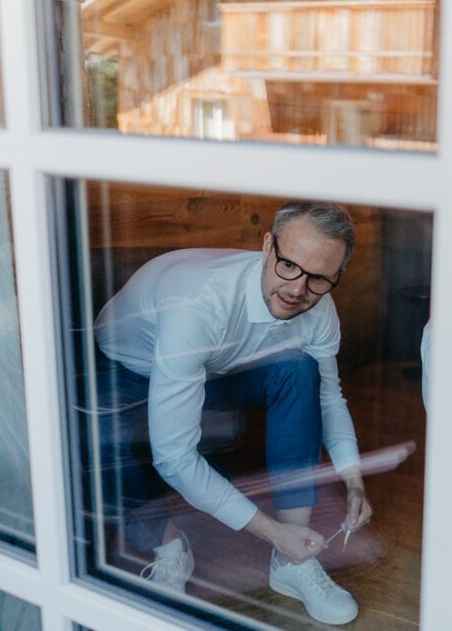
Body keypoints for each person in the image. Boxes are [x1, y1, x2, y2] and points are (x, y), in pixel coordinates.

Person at [93, 201, 372, 626]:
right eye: (289, 266)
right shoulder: (198, 305)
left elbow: (330, 399)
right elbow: (175, 456)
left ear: (337, 277)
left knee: (301, 371)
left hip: (213, 365)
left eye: (319, 278)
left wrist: (353, 479)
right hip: (127, 367)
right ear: (267, 246)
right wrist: (267, 528)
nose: (298, 289)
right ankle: (167, 549)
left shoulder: (319, 308)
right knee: (112, 430)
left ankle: (291, 559)